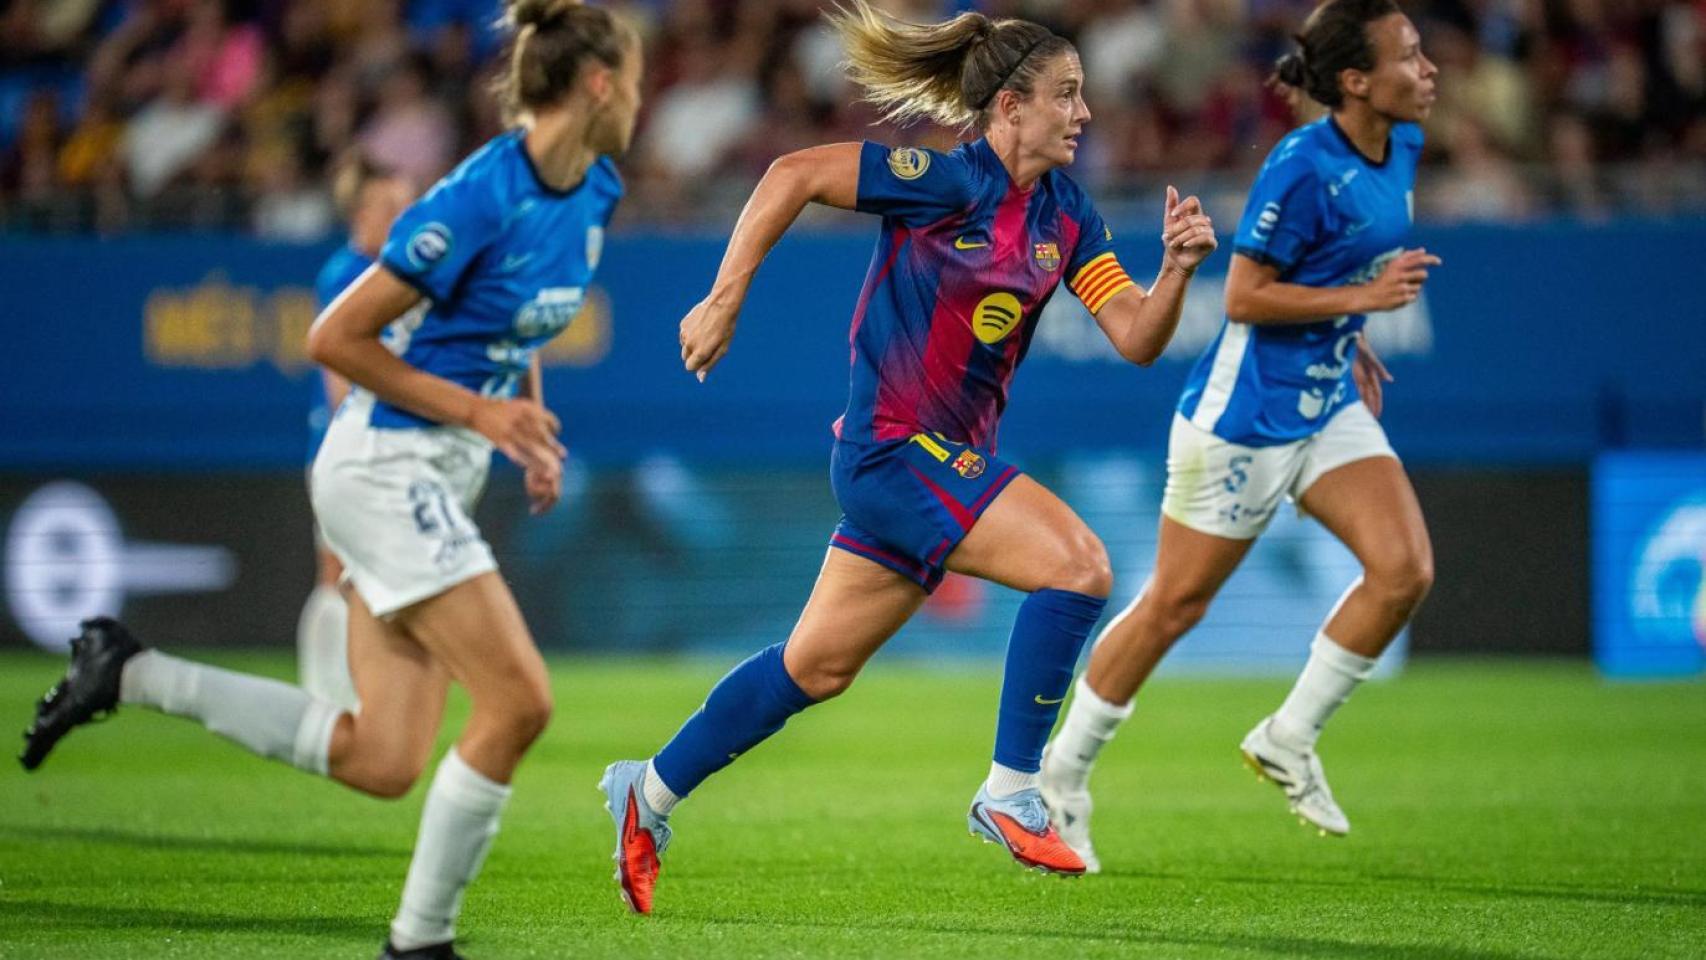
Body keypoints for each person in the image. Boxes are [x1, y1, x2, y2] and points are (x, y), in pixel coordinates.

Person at [19, 2, 643, 956]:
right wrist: (483, 414)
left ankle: (130, 672)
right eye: (632, 76)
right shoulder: (476, 196)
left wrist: (527, 425)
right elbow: (333, 340)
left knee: (383, 758)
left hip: (443, 469)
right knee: (520, 701)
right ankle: (419, 942)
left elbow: (522, 320)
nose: (641, 94)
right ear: (598, 84)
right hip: (382, 465)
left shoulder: (594, 188)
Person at [598, 0, 1217, 915]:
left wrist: (1174, 273)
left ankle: (645, 793)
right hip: (894, 454)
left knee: (814, 669)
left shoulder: (1066, 215)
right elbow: (793, 172)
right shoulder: (945, 180)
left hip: (935, 469)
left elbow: (1133, 335)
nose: (1084, 113)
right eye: (1066, 96)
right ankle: (1010, 787)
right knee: (1079, 566)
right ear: (1008, 108)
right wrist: (723, 299)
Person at [1040, 0, 1440, 871]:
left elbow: (1339, 261)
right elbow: (1247, 297)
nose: (1428, 69)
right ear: (1355, 82)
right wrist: (1363, 304)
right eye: (1408, 56)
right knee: (1175, 607)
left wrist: (1353, 333)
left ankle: (1288, 736)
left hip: (1326, 402)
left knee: (1404, 568)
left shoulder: (1401, 143)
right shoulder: (1301, 166)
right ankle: (1061, 777)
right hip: (1243, 419)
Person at [298, 150, 415, 712]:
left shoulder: (397, 276)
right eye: (388, 207)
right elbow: (338, 377)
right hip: (345, 448)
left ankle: (357, 682)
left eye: (405, 205)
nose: (400, 216)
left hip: (384, 442)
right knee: (336, 569)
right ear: (359, 214)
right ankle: (325, 687)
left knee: (365, 572)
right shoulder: (346, 274)